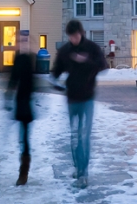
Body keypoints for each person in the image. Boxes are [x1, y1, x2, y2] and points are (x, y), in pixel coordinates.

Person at [51, 19, 108, 188]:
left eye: (76, 36)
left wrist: (85, 61)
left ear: (81, 33)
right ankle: (78, 167)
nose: (74, 39)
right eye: (71, 37)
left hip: (87, 97)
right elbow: (56, 70)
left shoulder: (91, 48)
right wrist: (55, 82)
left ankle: (84, 173)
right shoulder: (65, 50)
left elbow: (102, 65)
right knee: (75, 136)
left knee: (84, 136)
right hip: (71, 98)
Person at [5, 52, 35, 186]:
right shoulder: (18, 58)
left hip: (26, 103)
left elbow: (32, 81)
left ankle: (24, 172)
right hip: (20, 102)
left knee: (24, 137)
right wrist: (8, 94)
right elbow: (13, 77)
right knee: (22, 137)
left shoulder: (29, 58)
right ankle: (23, 172)